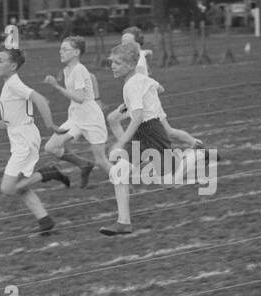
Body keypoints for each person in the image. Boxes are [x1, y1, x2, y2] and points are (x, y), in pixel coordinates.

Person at [99, 42, 207, 236]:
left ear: (130, 66)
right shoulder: (139, 78)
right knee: (119, 171)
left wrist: (121, 142)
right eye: (112, 62)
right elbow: (160, 88)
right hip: (142, 132)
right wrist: (138, 100)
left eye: (117, 62)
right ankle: (123, 222)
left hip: (151, 130)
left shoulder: (132, 84)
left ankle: (197, 154)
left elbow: (139, 117)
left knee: (170, 180)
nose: (113, 66)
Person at [0, 46, 68, 235]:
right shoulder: (9, 84)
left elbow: (40, 100)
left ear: (13, 65)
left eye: (1, 60)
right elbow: (9, 123)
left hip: (25, 142)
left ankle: (48, 173)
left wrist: (50, 125)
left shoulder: (14, 84)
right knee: (21, 187)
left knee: (7, 188)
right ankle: (45, 220)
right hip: (21, 138)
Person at [42, 36, 112, 188]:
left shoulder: (79, 69)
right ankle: (84, 164)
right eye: (60, 49)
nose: (61, 52)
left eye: (65, 49)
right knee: (51, 147)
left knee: (101, 160)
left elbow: (80, 98)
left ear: (76, 52)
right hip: (76, 118)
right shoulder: (68, 69)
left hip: (91, 118)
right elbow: (91, 79)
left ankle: (126, 184)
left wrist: (57, 86)